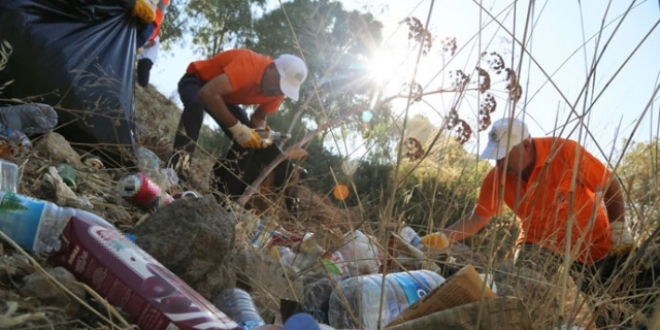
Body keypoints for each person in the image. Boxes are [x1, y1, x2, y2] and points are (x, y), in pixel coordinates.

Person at [438, 117, 657, 328]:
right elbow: (478, 217)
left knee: (611, 311)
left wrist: (618, 231)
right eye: (496, 156)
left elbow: (610, 185)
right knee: (524, 291)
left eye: (504, 155)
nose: (500, 162)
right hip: (536, 243)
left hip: (592, 243)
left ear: (525, 145)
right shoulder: (497, 178)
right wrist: (441, 238)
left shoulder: (566, 152)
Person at [168, 49, 307, 210]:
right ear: (271, 67)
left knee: (248, 141)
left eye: (283, 89)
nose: (278, 91)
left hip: (222, 97)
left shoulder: (279, 91)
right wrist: (237, 129)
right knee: (195, 106)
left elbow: (259, 117)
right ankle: (175, 173)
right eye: (278, 84)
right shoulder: (248, 65)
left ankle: (224, 198)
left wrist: (259, 135)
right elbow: (208, 93)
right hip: (198, 81)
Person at [136, 0, 169, 87]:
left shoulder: (155, 36)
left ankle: (142, 86)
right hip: (143, 57)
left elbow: (152, 43)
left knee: (143, 76)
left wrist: (142, 46)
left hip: (147, 58)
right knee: (140, 73)